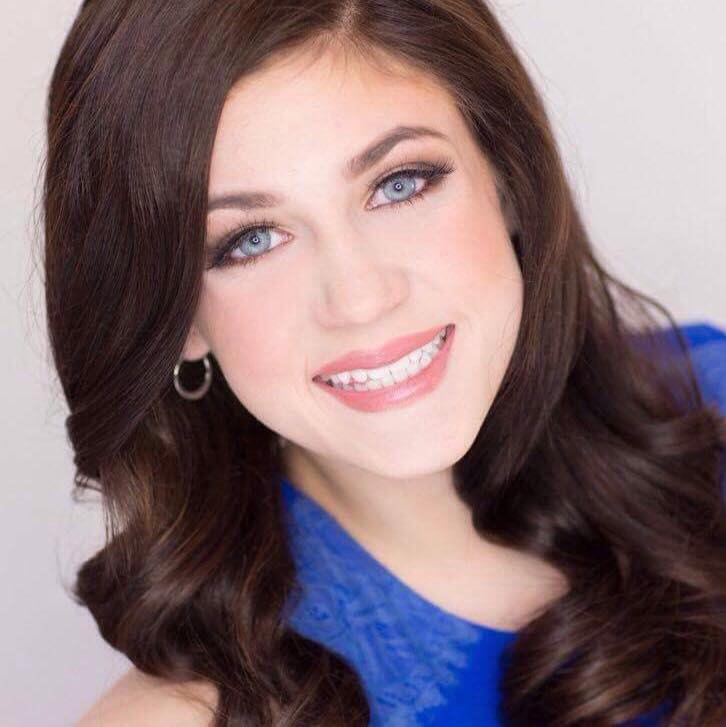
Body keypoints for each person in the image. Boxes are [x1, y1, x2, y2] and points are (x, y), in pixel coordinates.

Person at [41, 1, 725, 725]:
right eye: (251, 241)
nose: (361, 297)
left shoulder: (709, 401)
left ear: (506, 178)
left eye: (399, 184)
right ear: (176, 319)